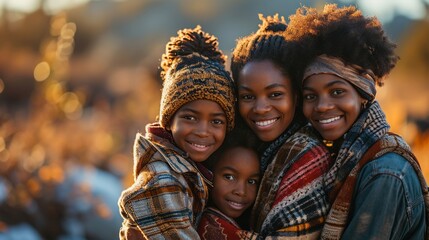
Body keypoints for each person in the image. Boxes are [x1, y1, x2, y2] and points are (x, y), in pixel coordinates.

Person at [289, 4, 429, 239]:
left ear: (363, 95)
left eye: (336, 92)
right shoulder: (336, 159)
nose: (322, 106)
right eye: (310, 96)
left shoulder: (385, 173)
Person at [118, 25, 236, 239]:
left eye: (216, 121)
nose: (202, 131)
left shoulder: (192, 169)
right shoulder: (162, 181)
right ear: (168, 120)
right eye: (190, 118)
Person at [230, 14, 334, 239]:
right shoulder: (243, 149)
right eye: (248, 96)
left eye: (275, 94)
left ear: (296, 96)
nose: (260, 108)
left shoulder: (306, 156)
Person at [197, 128, 261, 240]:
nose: (241, 191)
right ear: (209, 174)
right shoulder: (208, 227)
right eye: (229, 177)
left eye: (251, 181)